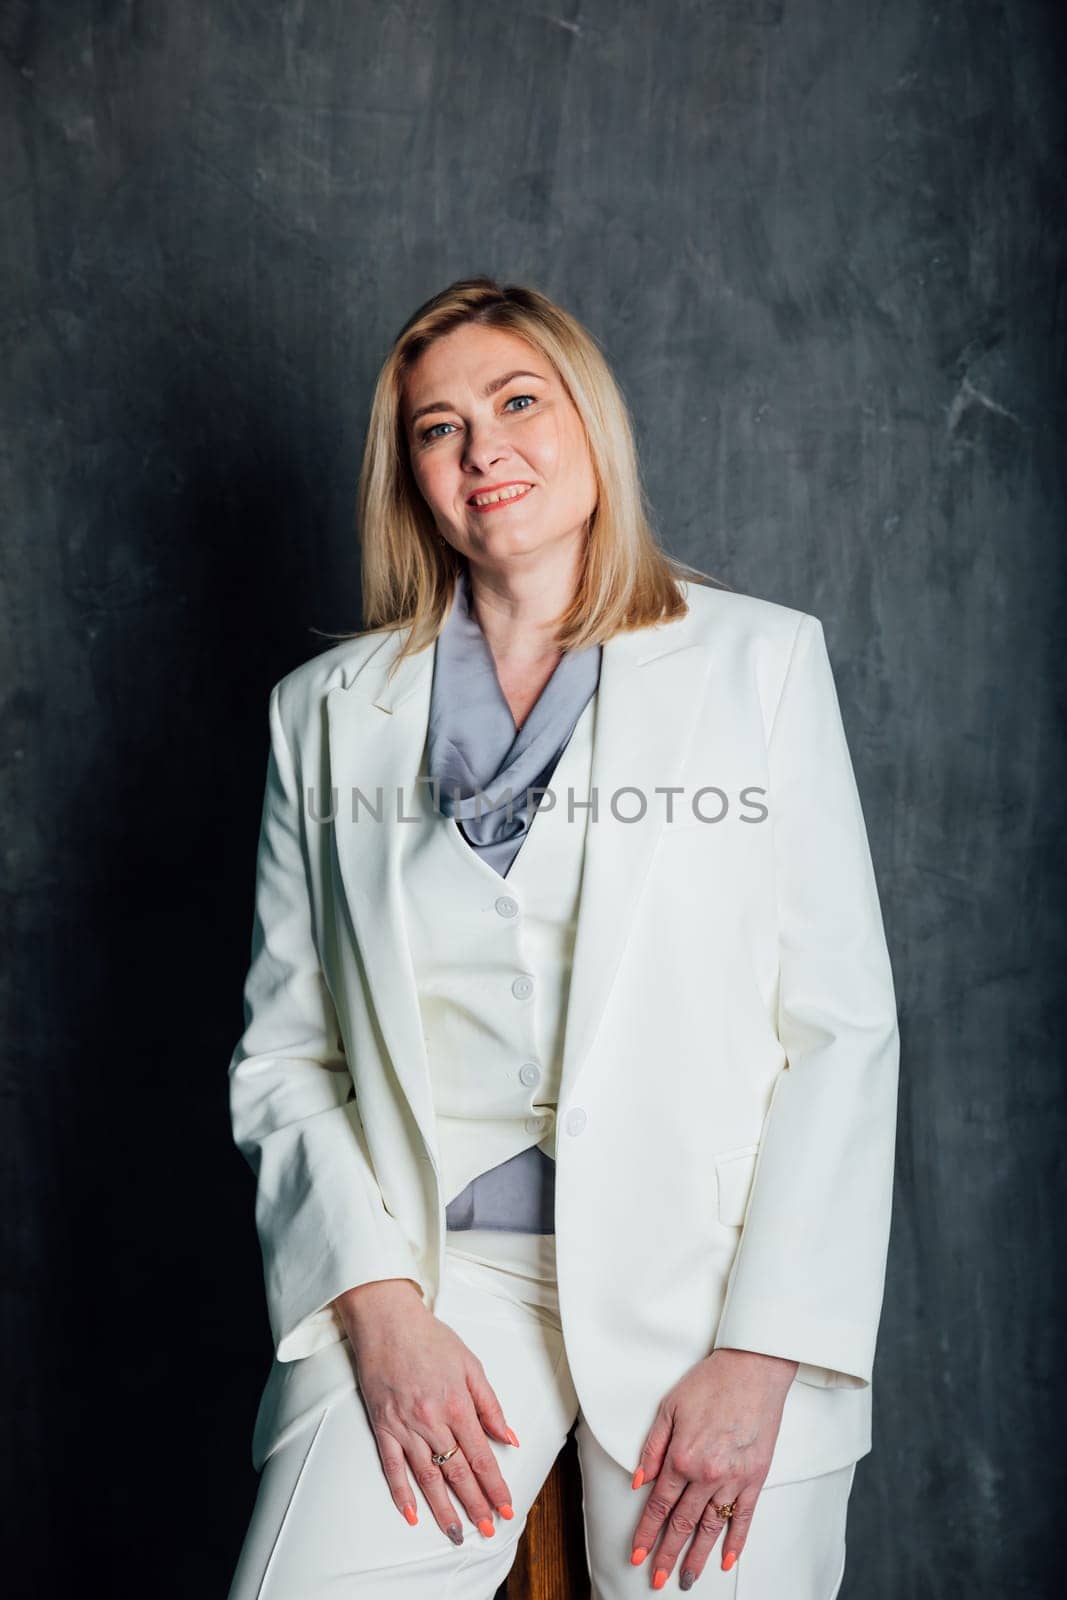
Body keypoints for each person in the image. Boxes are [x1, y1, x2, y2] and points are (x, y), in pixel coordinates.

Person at [225, 277, 900, 1599]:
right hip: (437, 1280)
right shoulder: (322, 715)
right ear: (410, 474)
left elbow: (838, 1033)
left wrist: (764, 1350)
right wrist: (374, 1309)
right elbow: (285, 1058)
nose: (482, 452)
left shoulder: (758, 666)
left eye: (516, 401)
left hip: (709, 1290)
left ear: (590, 420)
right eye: (436, 428)